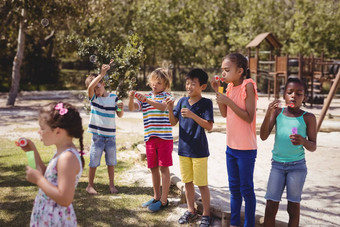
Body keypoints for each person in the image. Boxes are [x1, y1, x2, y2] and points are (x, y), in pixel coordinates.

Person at [260, 77, 317, 227]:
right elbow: (263, 136)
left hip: (297, 167)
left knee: (293, 208)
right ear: (284, 94)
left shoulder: (309, 118)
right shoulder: (278, 113)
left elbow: (313, 146)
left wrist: (303, 141)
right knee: (271, 207)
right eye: (290, 92)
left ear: (304, 97)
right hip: (277, 166)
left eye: (299, 93)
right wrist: (268, 114)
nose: (294, 96)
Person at [18, 102, 85, 226]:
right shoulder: (62, 153)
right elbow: (46, 176)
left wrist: (38, 180)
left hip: (56, 221)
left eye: (42, 128)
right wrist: (31, 151)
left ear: (58, 132)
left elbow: (65, 199)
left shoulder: (67, 158)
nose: (39, 132)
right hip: (48, 217)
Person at [211, 53, 258, 227]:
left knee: (246, 189)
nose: (223, 73)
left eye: (227, 70)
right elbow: (224, 113)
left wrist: (228, 101)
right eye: (222, 69)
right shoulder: (228, 87)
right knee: (234, 190)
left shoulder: (248, 86)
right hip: (231, 148)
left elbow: (249, 116)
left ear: (239, 71)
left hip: (246, 149)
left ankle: (249, 224)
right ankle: (233, 224)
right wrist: (218, 91)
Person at [166, 68, 214, 227]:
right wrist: (169, 108)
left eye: (193, 84)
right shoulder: (181, 102)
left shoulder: (206, 103)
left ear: (203, 87)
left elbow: (209, 126)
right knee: (187, 182)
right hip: (183, 150)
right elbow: (173, 122)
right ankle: (190, 210)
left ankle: (206, 214)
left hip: (199, 151)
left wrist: (193, 115)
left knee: (202, 184)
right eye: (187, 83)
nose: (189, 87)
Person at [128, 68, 173, 212]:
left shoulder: (167, 96)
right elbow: (132, 108)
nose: (155, 85)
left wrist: (146, 99)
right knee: (153, 168)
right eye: (153, 82)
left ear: (165, 84)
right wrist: (131, 98)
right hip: (150, 138)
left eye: (159, 83)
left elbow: (162, 108)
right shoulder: (146, 96)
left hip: (164, 138)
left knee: (164, 169)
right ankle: (156, 197)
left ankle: (164, 201)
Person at [85, 61, 124, 195]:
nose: (96, 90)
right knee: (94, 160)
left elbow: (119, 114)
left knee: (111, 162)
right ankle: (90, 185)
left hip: (111, 136)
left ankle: (111, 185)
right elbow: (90, 87)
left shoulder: (113, 98)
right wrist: (101, 74)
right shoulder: (94, 99)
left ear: (104, 84)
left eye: (98, 86)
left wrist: (121, 107)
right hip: (98, 136)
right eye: (94, 88)